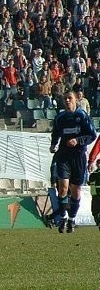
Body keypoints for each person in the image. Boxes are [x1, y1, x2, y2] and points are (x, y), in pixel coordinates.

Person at [50, 91, 97, 233]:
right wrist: (53, 144)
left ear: (76, 100)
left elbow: (92, 135)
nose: (67, 101)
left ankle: (72, 219)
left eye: (70, 98)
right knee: (63, 187)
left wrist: (78, 140)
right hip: (63, 156)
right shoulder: (60, 117)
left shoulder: (82, 116)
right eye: (65, 99)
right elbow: (56, 133)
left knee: (76, 191)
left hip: (78, 157)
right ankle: (63, 218)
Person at [86, 159, 100, 228]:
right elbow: (90, 181)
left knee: (96, 210)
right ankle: (98, 222)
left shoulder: (95, 174)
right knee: (94, 210)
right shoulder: (94, 173)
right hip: (95, 195)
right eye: (98, 163)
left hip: (96, 194)